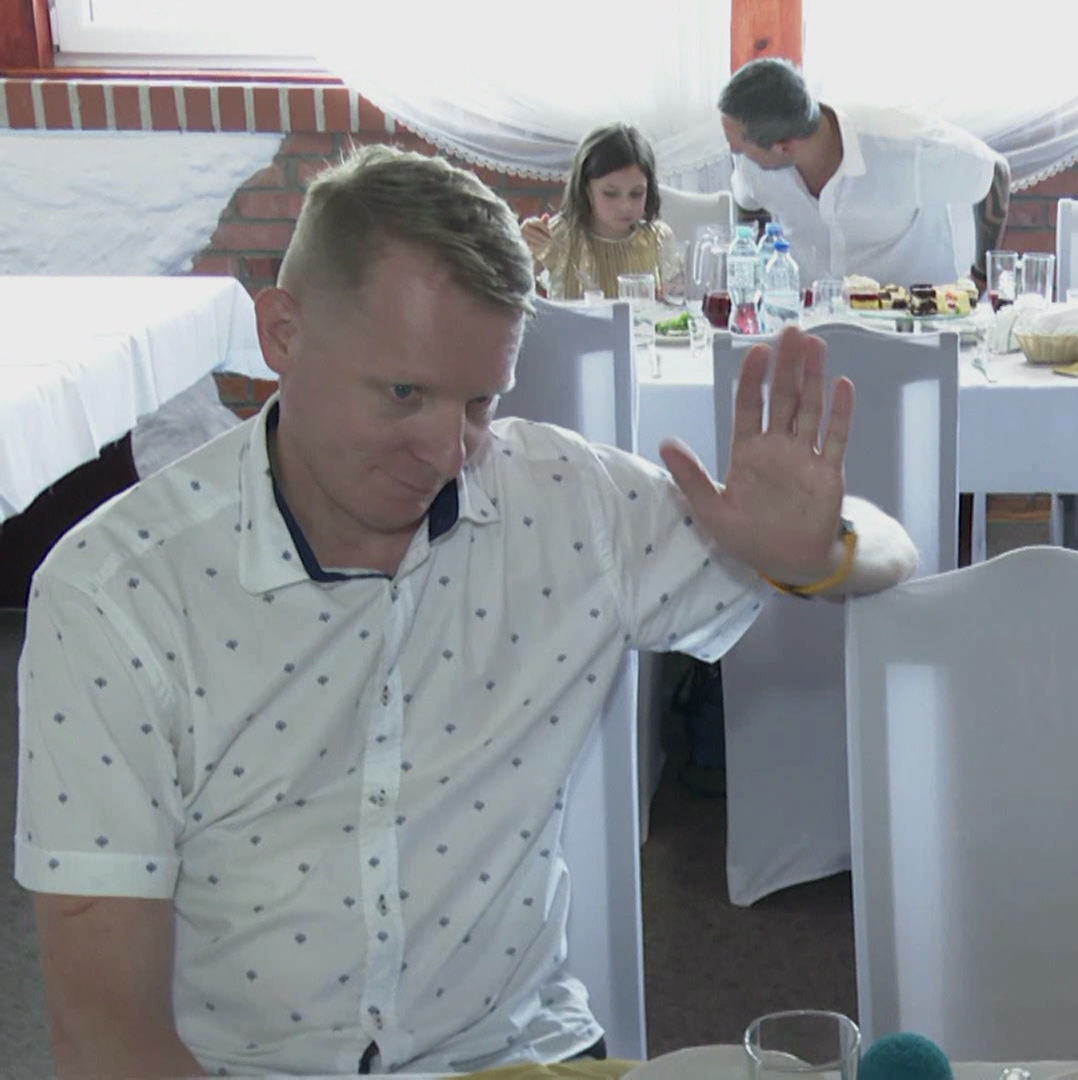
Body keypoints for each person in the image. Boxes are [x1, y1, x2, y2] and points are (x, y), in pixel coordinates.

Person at [16, 144, 918, 1076]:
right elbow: (107, 1039)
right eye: (403, 393)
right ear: (282, 334)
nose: (447, 451)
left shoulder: (565, 500)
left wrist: (814, 552)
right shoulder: (116, 595)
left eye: (480, 403)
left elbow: (889, 551)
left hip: (519, 1052)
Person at [718, 57, 1011, 290]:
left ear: (784, 147)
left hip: (912, 326)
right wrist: (758, 267)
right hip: (809, 327)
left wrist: (982, 276)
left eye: (740, 146)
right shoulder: (753, 163)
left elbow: (994, 173)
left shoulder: (903, 144)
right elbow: (748, 201)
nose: (733, 150)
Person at [521, 122, 683, 300]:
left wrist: (674, 293)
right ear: (585, 188)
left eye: (636, 193)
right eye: (610, 193)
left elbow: (678, 298)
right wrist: (523, 246)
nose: (625, 206)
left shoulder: (658, 238)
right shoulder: (561, 236)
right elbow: (513, 287)